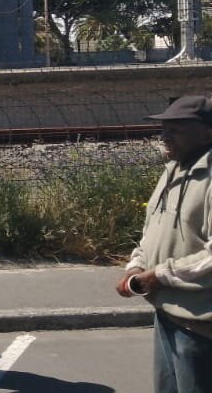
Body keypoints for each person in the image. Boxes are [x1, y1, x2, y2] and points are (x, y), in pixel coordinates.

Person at [116, 95, 212, 393]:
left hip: (199, 326)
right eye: (163, 128)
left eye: (176, 129)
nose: (164, 137)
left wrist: (157, 275)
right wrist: (136, 266)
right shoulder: (173, 170)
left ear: (207, 133)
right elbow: (151, 229)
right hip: (166, 314)